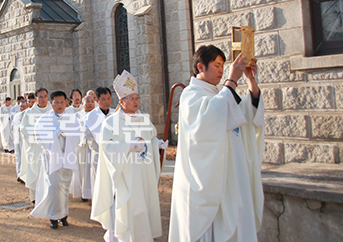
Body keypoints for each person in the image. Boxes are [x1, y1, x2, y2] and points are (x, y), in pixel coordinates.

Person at [169, 46, 264, 242]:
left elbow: (247, 116)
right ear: (200, 67)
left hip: (231, 175)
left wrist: (250, 80)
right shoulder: (191, 95)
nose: (221, 70)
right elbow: (208, 122)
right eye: (217, 65)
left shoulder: (219, 94)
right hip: (210, 181)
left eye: (223, 66)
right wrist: (232, 81)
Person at [91, 70, 167, 242]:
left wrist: (158, 145)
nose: (135, 102)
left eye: (137, 98)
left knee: (144, 206)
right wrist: (128, 146)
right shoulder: (111, 122)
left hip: (144, 173)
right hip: (126, 175)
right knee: (131, 208)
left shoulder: (144, 120)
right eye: (131, 98)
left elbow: (151, 139)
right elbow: (106, 147)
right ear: (122, 101)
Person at [31, 91, 80, 229]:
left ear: (66, 102)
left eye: (61, 102)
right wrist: (53, 136)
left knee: (64, 187)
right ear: (51, 103)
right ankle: (53, 216)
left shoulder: (73, 119)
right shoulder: (44, 120)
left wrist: (68, 135)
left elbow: (77, 135)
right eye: (56, 102)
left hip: (67, 157)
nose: (59, 105)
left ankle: (63, 215)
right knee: (53, 187)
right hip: (51, 158)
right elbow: (39, 138)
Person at [20, 88, 52, 203]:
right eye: (40, 97)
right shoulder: (29, 113)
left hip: (50, 148)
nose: (43, 99)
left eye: (45, 96)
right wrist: (38, 136)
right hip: (35, 148)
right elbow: (23, 130)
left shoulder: (52, 111)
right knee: (35, 171)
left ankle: (49, 197)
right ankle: (35, 198)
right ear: (36, 99)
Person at [83, 87, 115, 199]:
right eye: (103, 99)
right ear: (97, 101)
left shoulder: (115, 114)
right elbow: (93, 138)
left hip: (115, 156)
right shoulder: (90, 117)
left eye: (109, 98)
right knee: (99, 184)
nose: (107, 102)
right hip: (99, 155)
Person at [69, 94, 96, 200]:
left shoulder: (97, 115)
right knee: (82, 171)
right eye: (87, 101)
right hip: (82, 147)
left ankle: (93, 192)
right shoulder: (77, 116)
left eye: (92, 101)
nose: (90, 104)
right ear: (82, 103)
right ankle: (83, 192)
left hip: (94, 147)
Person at [12, 99, 29, 182]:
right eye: (21, 107)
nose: (22, 108)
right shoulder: (16, 116)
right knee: (18, 157)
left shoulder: (29, 115)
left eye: (24, 106)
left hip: (24, 140)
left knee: (24, 157)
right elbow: (12, 126)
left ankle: (24, 175)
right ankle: (19, 174)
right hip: (17, 139)